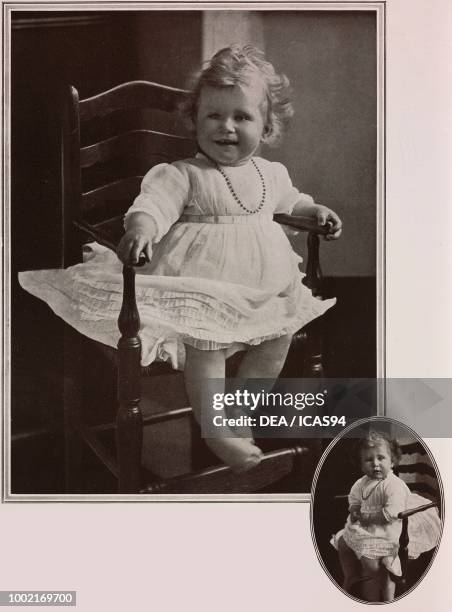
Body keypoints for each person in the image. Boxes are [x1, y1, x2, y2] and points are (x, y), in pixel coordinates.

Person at [19, 45, 342, 472]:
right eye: (213, 116)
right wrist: (141, 229)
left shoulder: (272, 174)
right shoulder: (183, 173)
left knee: (280, 334)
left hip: (261, 293)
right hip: (201, 289)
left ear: (266, 127)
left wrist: (313, 212)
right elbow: (153, 206)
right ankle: (214, 426)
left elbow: (292, 203)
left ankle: (238, 412)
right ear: (194, 120)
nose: (226, 127)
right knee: (205, 341)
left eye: (241, 117)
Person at [331, 430, 441, 602]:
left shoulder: (393, 486)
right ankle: (351, 576)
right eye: (368, 460)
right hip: (366, 527)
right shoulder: (361, 483)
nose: (375, 464)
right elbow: (354, 498)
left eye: (381, 458)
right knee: (344, 543)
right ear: (361, 464)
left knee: (370, 563)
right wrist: (354, 508)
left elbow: (392, 513)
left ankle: (374, 594)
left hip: (389, 528)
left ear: (392, 461)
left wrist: (368, 517)